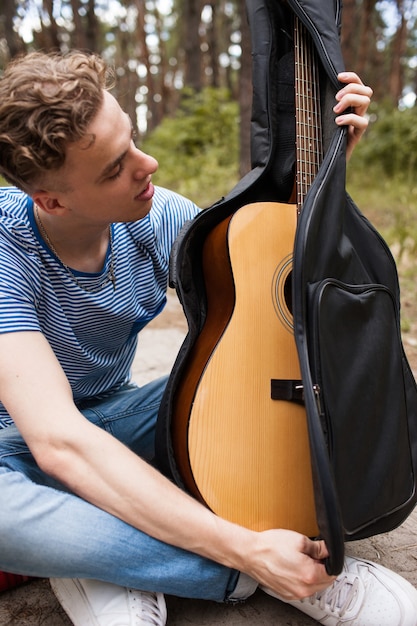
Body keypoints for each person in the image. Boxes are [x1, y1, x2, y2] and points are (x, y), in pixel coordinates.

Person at [0, 49, 415, 626]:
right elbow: (57, 440)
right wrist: (244, 550)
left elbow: (261, 260)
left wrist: (325, 173)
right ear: (52, 200)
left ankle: (95, 544)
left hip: (117, 420)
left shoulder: (153, 214)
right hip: (15, 449)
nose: (148, 164)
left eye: (133, 140)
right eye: (114, 168)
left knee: (249, 386)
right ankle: (257, 568)